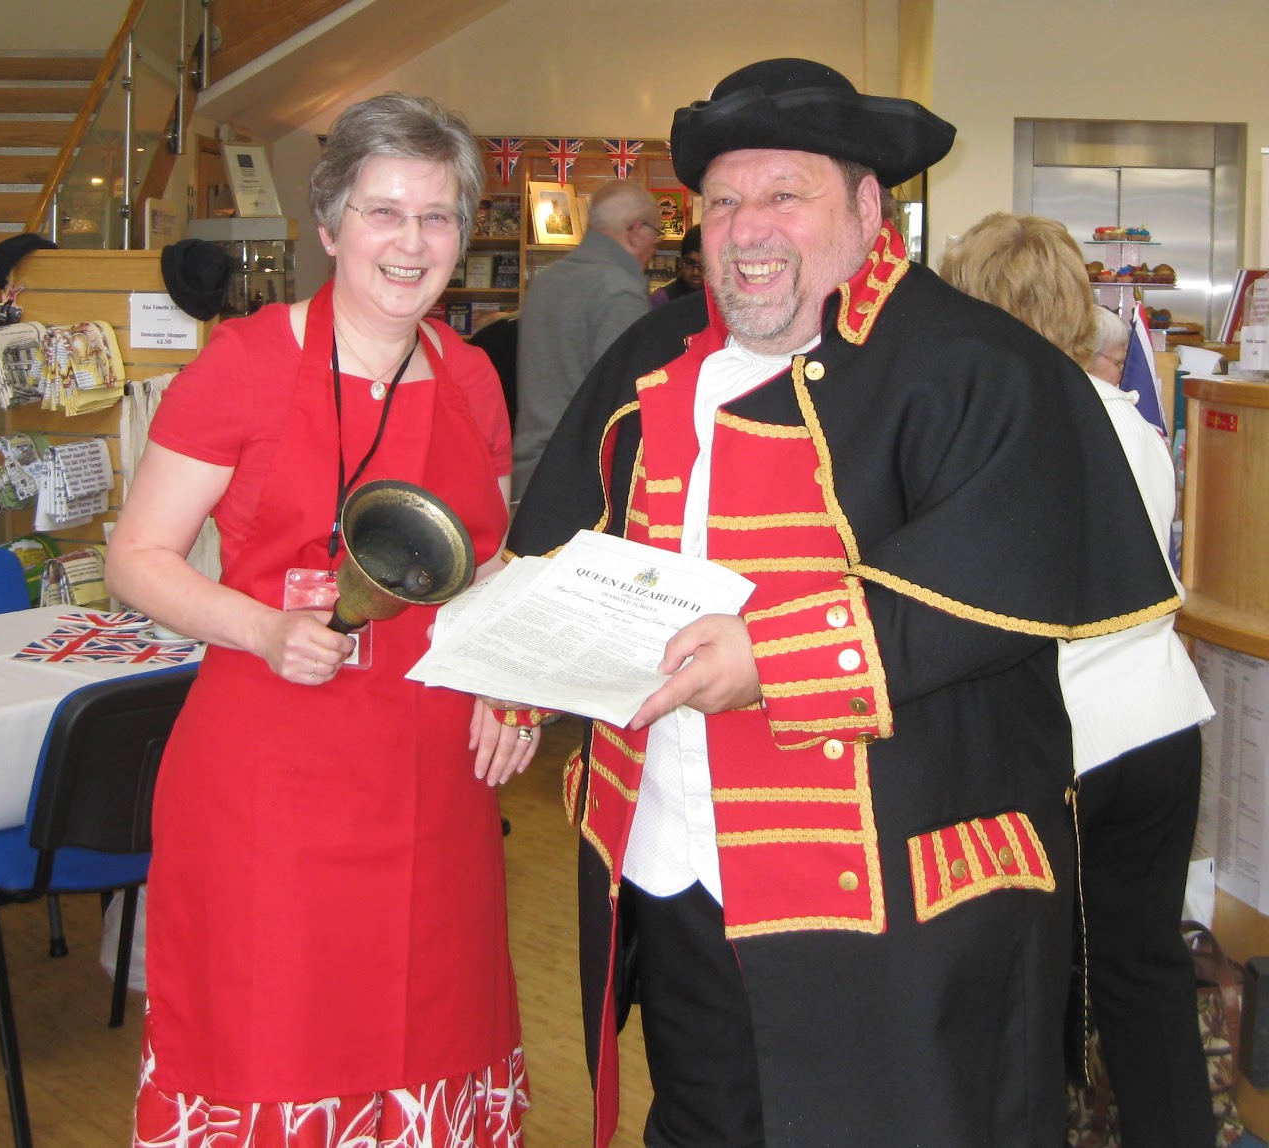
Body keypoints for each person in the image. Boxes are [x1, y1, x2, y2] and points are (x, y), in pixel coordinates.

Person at [504, 59, 1182, 1147]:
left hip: (904, 917)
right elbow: (560, 548)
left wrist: (768, 656)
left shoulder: (976, 365)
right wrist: (521, 666)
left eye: (785, 194)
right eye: (722, 201)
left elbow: (985, 588)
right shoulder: (648, 354)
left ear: (868, 208)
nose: (746, 228)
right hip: (676, 868)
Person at [105, 92, 536, 1147]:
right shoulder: (245, 363)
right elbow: (135, 559)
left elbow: (489, 564)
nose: (413, 242)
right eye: (384, 212)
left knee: (433, 1026)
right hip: (271, 778)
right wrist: (256, 625)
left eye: (438, 217)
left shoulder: (471, 374)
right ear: (332, 223)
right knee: (273, 1034)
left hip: (435, 782)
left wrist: (510, 682)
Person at [944, 216, 1216, 1148]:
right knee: (1146, 970)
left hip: (1061, 743)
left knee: (1028, 976)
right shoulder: (1133, 422)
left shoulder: (987, 422)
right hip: (1161, 724)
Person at [511, 180, 659, 499]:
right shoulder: (619, 292)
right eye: (655, 233)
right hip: (584, 483)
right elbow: (626, 405)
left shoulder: (546, 282)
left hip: (529, 474)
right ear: (635, 231)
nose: (655, 247)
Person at [650, 224, 703, 309]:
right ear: (680, 261)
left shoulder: (723, 300)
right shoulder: (662, 300)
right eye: (689, 263)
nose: (695, 272)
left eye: (703, 265)